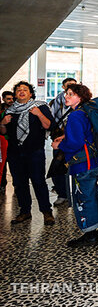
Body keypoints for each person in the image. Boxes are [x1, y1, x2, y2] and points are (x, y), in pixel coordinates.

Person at [52, 83, 98, 247]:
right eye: (66, 93)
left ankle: (90, 233)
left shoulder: (75, 115)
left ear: (80, 97)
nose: (66, 96)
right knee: (93, 192)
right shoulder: (87, 111)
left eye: (71, 94)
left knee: (83, 197)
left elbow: (76, 142)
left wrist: (60, 145)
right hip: (96, 160)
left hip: (83, 163)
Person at [0, 81, 55, 225]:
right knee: (19, 183)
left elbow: (49, 125)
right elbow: (3, 132)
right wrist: (3, 123)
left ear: (31, 93)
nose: (21, 91)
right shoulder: (10, 110)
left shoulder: (41, 106)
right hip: (15, 153)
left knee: (38, 182)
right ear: (15, 94)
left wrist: (39, 114)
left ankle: (46, 212)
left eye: (25, 89)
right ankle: (25, 211)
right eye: (18, 90)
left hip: (35, 151)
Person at [48, 76, 77, 206]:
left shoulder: (81, 102)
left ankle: (77, 194)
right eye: (69, 85)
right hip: (60, 137)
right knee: (58, 166)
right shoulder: (57, 101)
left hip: (75, 139)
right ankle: (62, 194)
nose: (71, 86)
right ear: (63, 87)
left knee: (77, 167)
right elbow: (52, 118)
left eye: (74, 85)